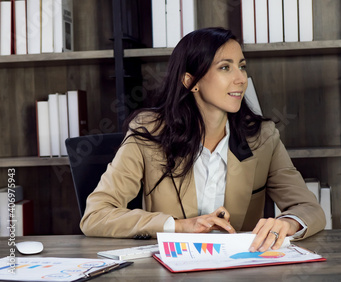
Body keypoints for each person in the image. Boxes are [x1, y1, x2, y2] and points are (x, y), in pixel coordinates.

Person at [80, 27, 326, 252]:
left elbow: (309, 209)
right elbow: (96, 215)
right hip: (170, 272)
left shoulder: (263, 137)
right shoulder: (150, 132)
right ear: (190, 81)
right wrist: (179, 226)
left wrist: (288, 223)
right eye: (225, 67)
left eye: (242, 66)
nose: (241, 78)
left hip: (242, 271)